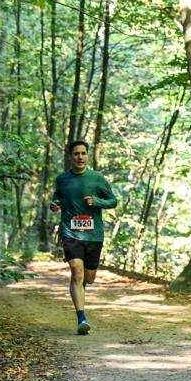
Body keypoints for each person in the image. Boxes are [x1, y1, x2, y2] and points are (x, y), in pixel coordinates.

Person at [50, 140, 117, 334]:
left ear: (87, 155)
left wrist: (96, 201)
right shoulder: (62, 179)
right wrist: (54, 204)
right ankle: (81, 318)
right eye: (76, 154)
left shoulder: (97, 178)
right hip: (70, 232)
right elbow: (58, 197)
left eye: (83, 153)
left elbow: (113, 201)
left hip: (93, 235)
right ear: (70, 157)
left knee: (89, 278)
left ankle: (80, 289)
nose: (80, 157)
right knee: (76, 272)